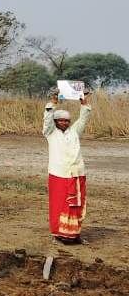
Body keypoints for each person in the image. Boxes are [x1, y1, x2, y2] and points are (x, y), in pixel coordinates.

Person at [44, 94, 92, 244]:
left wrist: (83, 103)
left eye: (66, 121)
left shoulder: (74, 132)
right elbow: (47, 119)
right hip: (58, 175)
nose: (64, 123)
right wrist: (53, 102)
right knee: (59, 206)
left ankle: (75, 234)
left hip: (77, 173)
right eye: (61, 120)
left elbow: (83, 118)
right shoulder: (50, 133)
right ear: (55, 122)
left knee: (76, 205)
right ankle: (59, 235)